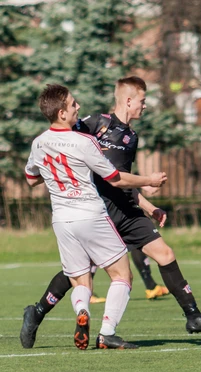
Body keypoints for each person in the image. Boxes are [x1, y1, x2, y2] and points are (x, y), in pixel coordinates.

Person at [20, 76, 201, 350]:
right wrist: (148, 180)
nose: (145, 106)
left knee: (164, 254)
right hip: (97, 210)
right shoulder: (94, 125)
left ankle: (193, 316)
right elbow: (98, 169)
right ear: (129, 100)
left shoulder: (131, 136)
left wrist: (148, 205)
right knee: (84, 273)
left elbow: (122, 179)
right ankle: (37, 313)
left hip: (123, 209)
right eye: (143, 100)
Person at [24, 83, 167, 349]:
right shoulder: (85, 141)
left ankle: (83, 312)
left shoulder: (39, 142)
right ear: (62, 113)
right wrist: (149, 180)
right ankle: (107, 333)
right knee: (122, 275)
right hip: (90, 214)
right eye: (73, 104)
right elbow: (114, 178)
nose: (78, 107)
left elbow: (31, 179)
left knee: (80, 278)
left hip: (62, 221)